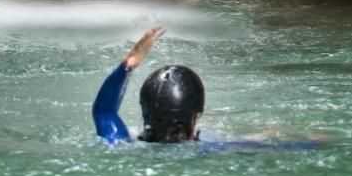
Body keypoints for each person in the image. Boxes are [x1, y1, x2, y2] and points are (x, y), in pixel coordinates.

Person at [92, 26, 323, 151]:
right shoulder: (212, 148)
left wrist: (129, 64)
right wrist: (315, 141)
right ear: (195, 116)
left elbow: (104, 111)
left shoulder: (124, 144)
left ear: (145, 109)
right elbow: (277, 147)